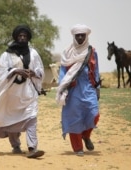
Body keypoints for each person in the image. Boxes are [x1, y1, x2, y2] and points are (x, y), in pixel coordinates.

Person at [0, 24, 45, 159]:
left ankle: (32, 148)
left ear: (28, 38)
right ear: (16, 37)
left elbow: (40, 70)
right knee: (11, 120)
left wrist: (33, 72)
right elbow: (1, 72)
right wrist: (16, 71)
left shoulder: (33, 53)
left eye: (25, 36)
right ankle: (15, 145)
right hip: (12, 93)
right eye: (20, 36)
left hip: (29, 92)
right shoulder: (6, 55)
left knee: (31, 118)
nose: (22, 38)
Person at [56, 24, 100, 156]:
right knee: (74, 118)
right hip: (73, 89)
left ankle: (86, 135)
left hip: (88, 88)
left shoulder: (92, 52)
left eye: (82, 35)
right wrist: (62, 88)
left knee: (94, 113)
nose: (80, 37)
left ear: (86, 36)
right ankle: (78, 148)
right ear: (74, 37)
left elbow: (96, 70)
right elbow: (63, 71)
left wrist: (97, 88)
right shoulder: (67, 52)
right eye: (77, 35)